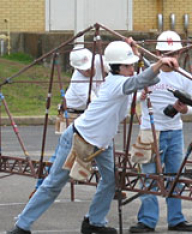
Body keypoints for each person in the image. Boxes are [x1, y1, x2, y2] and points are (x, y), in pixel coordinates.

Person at [7, 40, 179, 234]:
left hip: (102, 143)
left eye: (133, 65)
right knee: (54, 184)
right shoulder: (116, 83)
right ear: (117, 67)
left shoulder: (123, 79)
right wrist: (158, 63)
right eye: (128, 66)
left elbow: (152, 80)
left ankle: (94, 221)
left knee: (110, 181)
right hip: (79, 138)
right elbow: (140, 81)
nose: (132, 69)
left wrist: (138, 54)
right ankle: (22, 226)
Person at [129, 31, 192, 233]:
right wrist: (140, 95)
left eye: (173, 54)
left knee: (175, 176)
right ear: (157, 53)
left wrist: (182, 108)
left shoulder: (185, 76)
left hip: (174, 130)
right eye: (166, 54)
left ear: (180, 53)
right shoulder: (147, 73)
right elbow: (130, 97)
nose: (170, 58)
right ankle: (147, 220)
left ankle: (176, 218)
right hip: (150, 130)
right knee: (149, 175)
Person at [30, 48, 106, 197]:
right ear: (76, 68)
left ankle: (109, 185)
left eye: (91, 67)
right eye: (85, 70)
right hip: (73, 115)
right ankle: (40, 187)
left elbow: (117, 61)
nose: (90, 70)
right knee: (61, 155)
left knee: (101, 152)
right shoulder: (79, 83)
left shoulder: (99, 61)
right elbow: (96, 104)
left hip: (87, 115)